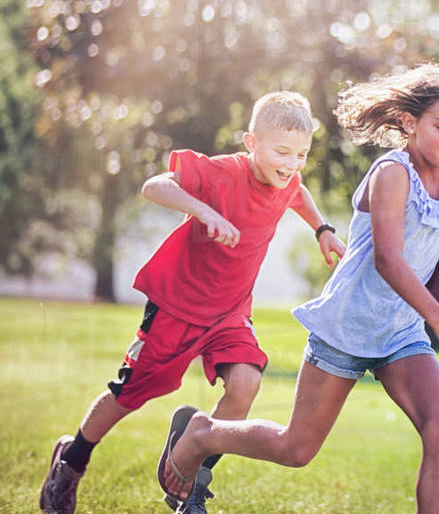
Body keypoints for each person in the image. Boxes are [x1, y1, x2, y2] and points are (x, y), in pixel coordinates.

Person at [156, 64, 439, 514]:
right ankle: (201, 432)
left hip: (401, 332)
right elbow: (389, 260)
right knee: (294, 450)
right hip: (346, 325)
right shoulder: (391, 174)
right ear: (410, 124)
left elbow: (434, 272)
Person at [39, 91, 346, 514]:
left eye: (301, 154)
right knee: (129, 393)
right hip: (176, 307)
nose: (292, 164)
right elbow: (155, 186)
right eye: (282, 152)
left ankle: (190, 467)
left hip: (230, 313)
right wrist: (203, 211)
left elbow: (299, 194)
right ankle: (70, 462)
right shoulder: (221, 172)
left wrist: (323, 229)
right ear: (251, 143)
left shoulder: (287, 178)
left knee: (246, 384)